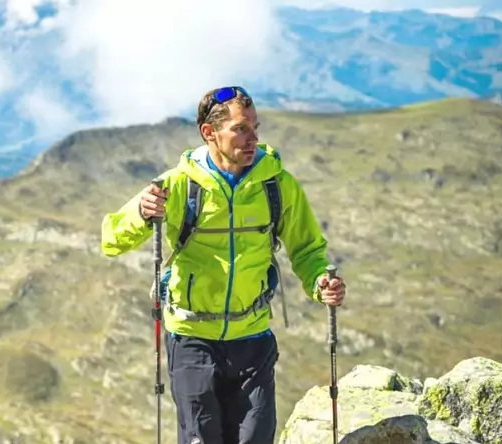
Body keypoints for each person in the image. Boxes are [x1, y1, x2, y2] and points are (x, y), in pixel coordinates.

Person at [100, 86, 346, 444]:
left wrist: (321, 280)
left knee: (254, 439)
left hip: (252, 336)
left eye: (255, 128)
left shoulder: (277, 185)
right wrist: (141, 213)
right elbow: (111, 238)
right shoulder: (178, 185)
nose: (253, 139)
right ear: (209, 133)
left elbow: (307, 248)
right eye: (241, 129)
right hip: (191, 338)